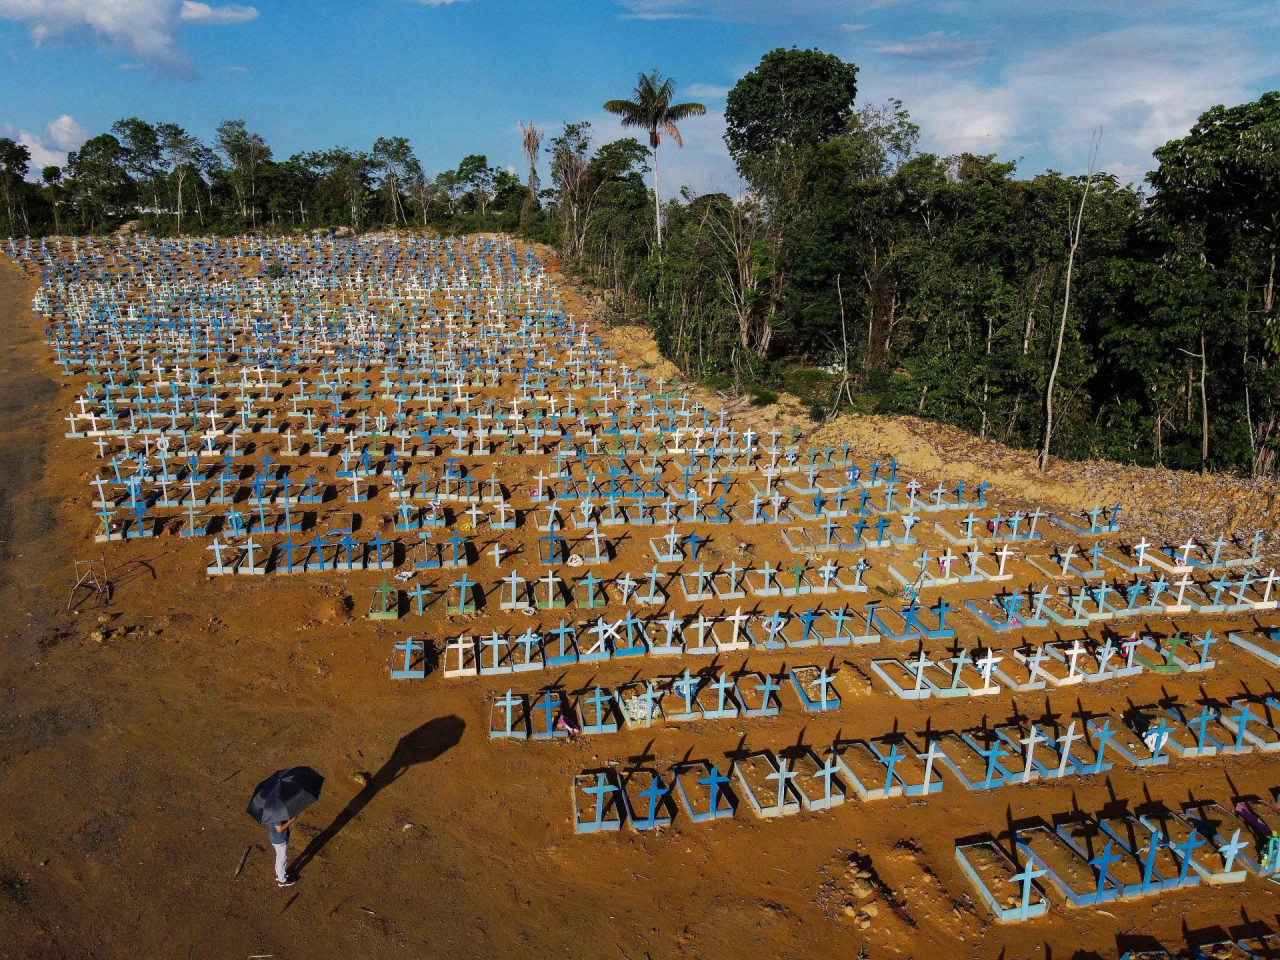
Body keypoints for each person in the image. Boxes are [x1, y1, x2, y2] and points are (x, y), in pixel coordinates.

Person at [268, 816, 298, 887]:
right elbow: (279, 829)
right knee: (282, 859)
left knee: (279, 858)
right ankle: (282, 881)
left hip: (275, 839)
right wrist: (290, 821)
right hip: (280, 841)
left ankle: (279, 874)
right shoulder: (277, 815)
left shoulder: (272, 811)